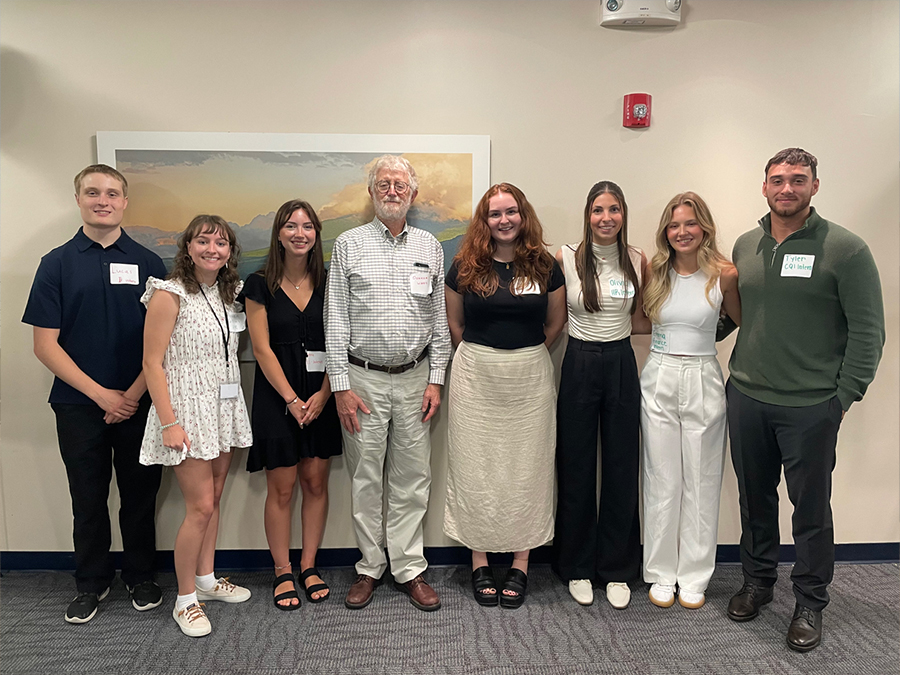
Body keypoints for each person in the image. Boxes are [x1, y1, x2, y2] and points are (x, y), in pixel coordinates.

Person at [724, 148, 884, 652]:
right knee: (755, 500)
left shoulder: (846, 249)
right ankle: (758, 582)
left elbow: (868, 332)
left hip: (811, 406)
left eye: (798, 180)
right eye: (777, 179)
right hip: (747, 394)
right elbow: (739, 313)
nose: (786, 188)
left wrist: (842, 398)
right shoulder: (746, 245)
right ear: (763, 186)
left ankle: (810, 602)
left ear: (815, 186)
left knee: (810, 511)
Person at [23, 164, 166, 624]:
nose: (102, 200)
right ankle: (92, 581)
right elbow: (44, 344)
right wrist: (102, 395)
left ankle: (141, 575)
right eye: (92, 193)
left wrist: (130, 395)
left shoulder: (149, 263)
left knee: (140, 496)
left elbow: (163, 343)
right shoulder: (56, 263)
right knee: (87, 498)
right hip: (77, 405)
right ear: (79, 200)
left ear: (125, 202)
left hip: (141, 402)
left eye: (111, 193)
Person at [325, 155, 451, 612]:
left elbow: (439, 320)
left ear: (413, 193)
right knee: (365, 477)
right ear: (373, 193)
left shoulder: (430, 246)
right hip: (363, 380)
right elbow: (335, 316)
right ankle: (369, 567)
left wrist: (437, 379)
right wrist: (340, 384)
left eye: (400, 184)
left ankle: (409, 568)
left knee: (413, 476)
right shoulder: (349, 245)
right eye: (384, 183)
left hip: (417, 378)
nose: (393, 190)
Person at [443, 183, 566, 609]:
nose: (504, 220)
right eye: (495, 214)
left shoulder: (545, 265)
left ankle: (520, 562)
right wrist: (488, 358)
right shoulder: (464, 266)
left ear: (523, 214)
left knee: (527, 469)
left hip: (529, 379)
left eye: (511, 211)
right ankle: (479, 561)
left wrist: (522, 357)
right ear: (485, 220)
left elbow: (555, 323)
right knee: (475, 469)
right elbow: (455, 326)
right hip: (476, 378)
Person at [141, 215, 254, 637]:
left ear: (230, 252)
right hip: (185, 410)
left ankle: (206, 580)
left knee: (216, 497)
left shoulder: (227, 295)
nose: (212, 249)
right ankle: (185, 599)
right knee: (200, 506)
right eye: (203, 241)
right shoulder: (169, 294)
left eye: (221, 243)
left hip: (222, 407)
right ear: (187, 247)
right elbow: (152, 363)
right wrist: (169, 422)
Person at [636, 192, 740, 610]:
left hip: (703, 375)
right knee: (662, 479)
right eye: (675, 225)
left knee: (702, 479)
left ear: (705, 229)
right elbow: (640, 320)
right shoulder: (656, 273)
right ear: (666, 231)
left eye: (690, 224)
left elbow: (738, 320)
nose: (682, 232)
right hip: (659, 374)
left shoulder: (724, 274)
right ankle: (661, 573)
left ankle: (694, 576)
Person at [552, 181, 648, 609]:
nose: (605, 218)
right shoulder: (566, 257)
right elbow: (554, 317)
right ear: (587, 215)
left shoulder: (637, 259)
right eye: (597, 210)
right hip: (579, 363)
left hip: (622, 363)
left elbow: (643, 319)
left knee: (621, 466)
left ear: (623, 214)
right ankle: (577, 565)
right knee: (575, 466)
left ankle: (617, 568)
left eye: (613, 210)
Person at [242, 199, 342, 610]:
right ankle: (282, 571)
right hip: (276, 395)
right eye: (290, 226)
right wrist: (292, 400)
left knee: (316, 483)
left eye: (307, 226)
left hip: (323, 393)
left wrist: (322, 395)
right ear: (279, 234)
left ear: (316, 234)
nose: (299, 233)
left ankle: (309, 565)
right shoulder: (258, 283)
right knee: (280, 489)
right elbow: (262, 350)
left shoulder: (331, 282)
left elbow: (340, 342)